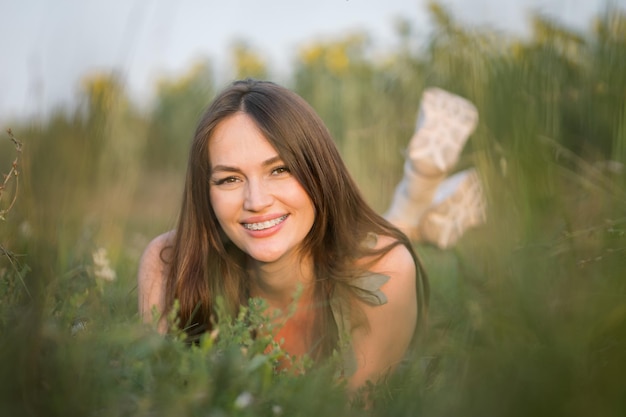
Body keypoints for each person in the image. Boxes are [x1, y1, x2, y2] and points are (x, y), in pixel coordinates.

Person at [138, 79, 483, 391]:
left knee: (383, 257)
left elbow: (353, 409)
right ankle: (414, 203)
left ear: (318, 171)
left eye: (279, 170)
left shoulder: (386, 269)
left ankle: (413, 201)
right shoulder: (171, 266)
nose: (256, 202)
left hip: (370, 271)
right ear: (205, 191)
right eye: (229, 179)